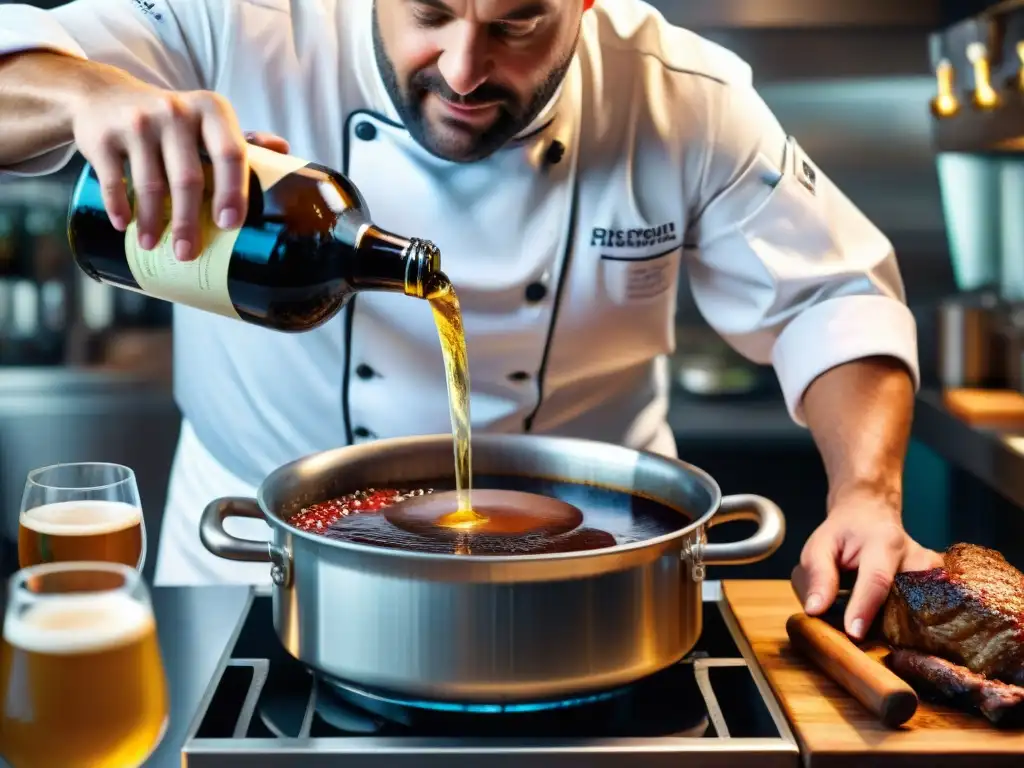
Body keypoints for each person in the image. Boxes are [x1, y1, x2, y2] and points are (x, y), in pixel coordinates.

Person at [0, 0, 940, 638]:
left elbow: (833, 299)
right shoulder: (238, 21)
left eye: (516, 23)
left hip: (593, 591)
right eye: (430, 11)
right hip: (254, 564)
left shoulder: (684, 98)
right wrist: (93, 94)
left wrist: (867, 490)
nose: (462, 68)